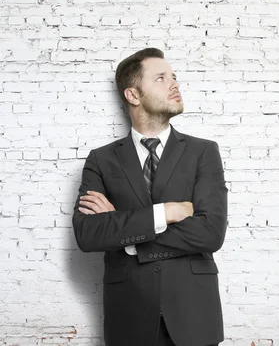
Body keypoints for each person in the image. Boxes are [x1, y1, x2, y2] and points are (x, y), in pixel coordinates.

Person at [72, 48, 227, 346]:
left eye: (174, 77)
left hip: (194, 315)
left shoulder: (203, 153)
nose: (174, 84)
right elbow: (87, 234)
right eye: (160, 78)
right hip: (129, 316)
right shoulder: (101, 160)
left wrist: (125, 233)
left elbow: (210, 233)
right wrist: (164, 213)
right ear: (133, 95)